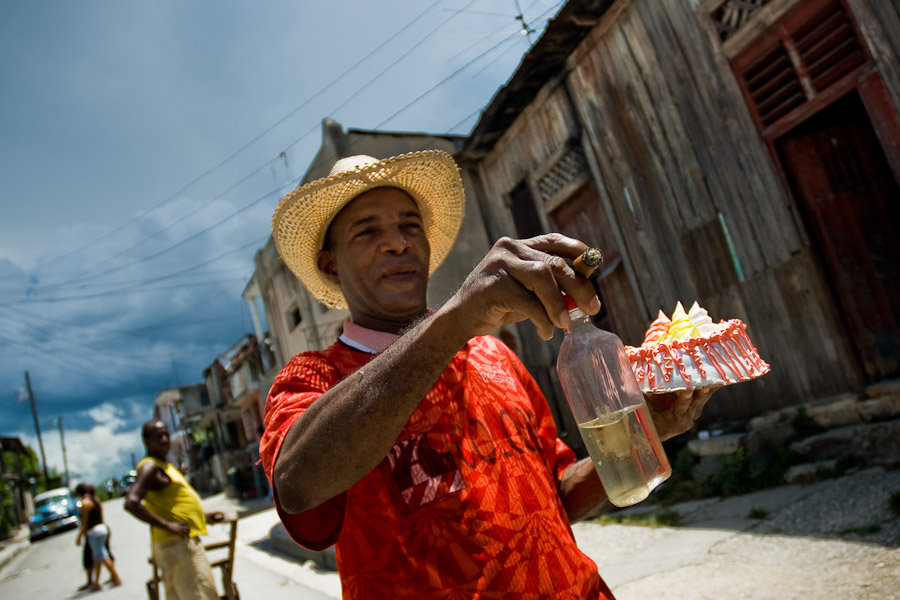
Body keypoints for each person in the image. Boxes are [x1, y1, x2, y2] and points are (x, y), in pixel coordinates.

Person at [260, 150, 717, 599]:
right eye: (367, 230)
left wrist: (647, 429)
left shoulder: (493, 356)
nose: (397, 242)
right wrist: (457, 318)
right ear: (330, 265)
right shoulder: (313, 378)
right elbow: (297, 485)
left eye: (409, 225)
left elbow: (554, 496)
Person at [125, 420, 224, 600]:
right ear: (146, 441)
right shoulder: (150, 466)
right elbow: (131, 502)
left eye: (166, 434)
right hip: (177, 545)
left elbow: (172, 502)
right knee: (201, 594)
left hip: (174, 544)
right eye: (158, 436)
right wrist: (167, 525)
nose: (164, 440)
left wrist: (202, 516)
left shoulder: (164, 466)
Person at [74, 483, 122, 591]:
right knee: (97, 557)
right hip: (102, 528)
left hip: (94, 532)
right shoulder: (96, 500)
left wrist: (81, 535)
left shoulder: (85, 503)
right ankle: (96, 583)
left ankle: (116, 578)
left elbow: (85, 522)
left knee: (102, 556)